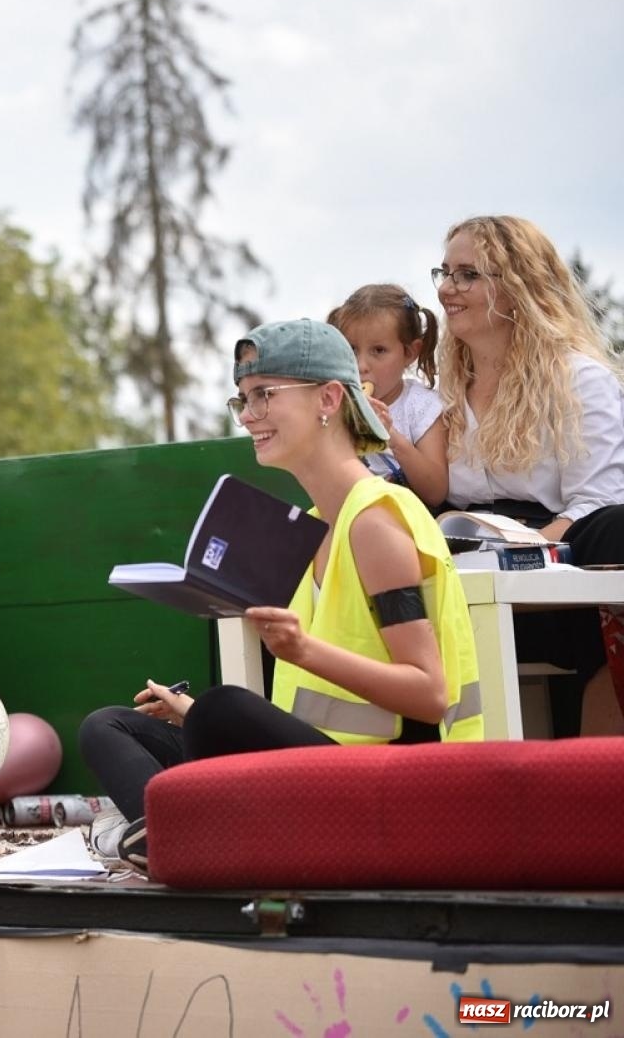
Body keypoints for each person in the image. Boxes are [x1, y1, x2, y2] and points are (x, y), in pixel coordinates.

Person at [79, 319, 482, 872]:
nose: (248, 415)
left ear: (329, 398)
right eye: (242, 399)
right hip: (326, 773)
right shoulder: (312, 527)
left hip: (394, 791)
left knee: (222, 709)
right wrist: (193, 718)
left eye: (265, 395)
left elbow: (431, 694)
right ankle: (170, 833)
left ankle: (177, 838)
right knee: (109, 724)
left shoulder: (375, 522)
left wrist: (301, 652)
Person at [435, 215, 624, 736]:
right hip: (457, 556)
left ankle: (597, 763)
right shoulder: (439, 390)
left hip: (555, 555)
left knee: (616, 527)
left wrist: (520, 553)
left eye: (468, 274)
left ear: (518, 288)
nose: (448, 288)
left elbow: (596, 503)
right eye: (445, 272)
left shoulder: (578, 378)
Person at [328, 284, 448, 508]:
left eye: (379, 350)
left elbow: (435, 491)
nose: (361, 365)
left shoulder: (421, 406)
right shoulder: (337, 406)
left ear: (410, 353)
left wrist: (390, 435)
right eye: (352, 350)